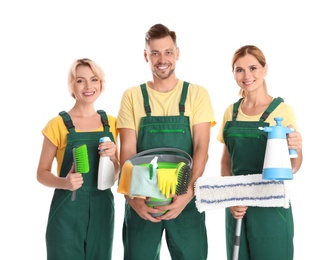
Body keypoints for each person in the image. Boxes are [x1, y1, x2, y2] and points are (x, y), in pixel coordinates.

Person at [116, 23, 215, 260]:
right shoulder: (132, 96)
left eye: (168, 52)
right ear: (146, 56)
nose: (162, 59)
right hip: (143, 201)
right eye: (155, 53)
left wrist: (188, 193)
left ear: (177, 53)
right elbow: (127, 152)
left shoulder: (196, 94)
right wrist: (133, 199)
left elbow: (202, 149)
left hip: (186, 200)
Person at [217, 45, 303, 260]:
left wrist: (297, 147)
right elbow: (225, 164)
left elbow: (293, 166)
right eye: (239, 70)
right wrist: (231, 199)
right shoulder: (231, 112)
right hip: (238, 206)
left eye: (253, 68)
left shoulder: (281, 110)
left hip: (270, 206)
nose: (247, 76)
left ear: (265, 69)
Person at [36, 58, 120, 260]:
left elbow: (118, 171)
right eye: (80, 80)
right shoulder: (57, 125)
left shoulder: (112, 123)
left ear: (101, 84)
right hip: (67, 209)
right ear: (72, 86)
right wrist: (64, 182)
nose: (89, 86)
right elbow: (41, 173)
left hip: (102, 208)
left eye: (94, 79)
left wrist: (114, 159)